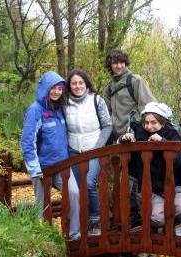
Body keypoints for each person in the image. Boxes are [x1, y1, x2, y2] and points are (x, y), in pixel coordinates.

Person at [20, 71, 80, 240]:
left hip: (62, 165)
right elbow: (27, 141)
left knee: (74, 194)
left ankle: (74, 235)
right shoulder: (35, 110)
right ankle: (45, 239)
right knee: (42, 206)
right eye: (53, 88)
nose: (56, 92)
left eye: (60, 89)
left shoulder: (60, 109)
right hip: (42, 168)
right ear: (45, 89)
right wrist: (34, 168)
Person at [103, 49, 157, 228]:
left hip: (136, 137)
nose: (118, 66)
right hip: (118, 140)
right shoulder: (109, 87)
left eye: (121, 62)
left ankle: (140, 219)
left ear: (126, 63)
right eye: (114, 62)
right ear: (110, 65)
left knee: (136, 178)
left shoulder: (135, 81)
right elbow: (107, 116)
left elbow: (149, 107)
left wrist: (141, 131)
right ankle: (122, 217)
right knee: (121, 180)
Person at [119, 102, 181, 235]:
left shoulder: (172, 134)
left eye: (154, 122)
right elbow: (121, 142)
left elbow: (178, 161)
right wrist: (124, 138)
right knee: (157, 218)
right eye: (146, 122)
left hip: (173, 185)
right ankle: (158, 225)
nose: (149, 126)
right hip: (149, 188)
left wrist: (162, 143)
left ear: (162, 122)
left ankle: (169, 226)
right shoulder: (138, 132)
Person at [64, 69, 112, 235]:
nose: (78, 86)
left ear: (86, 84)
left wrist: (98, 147)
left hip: (94, 150)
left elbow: (107, 125)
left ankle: (95, 219)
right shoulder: (65, 103)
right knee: (77, 188)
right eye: (74, 83)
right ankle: (79, 224)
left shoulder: (96, 100)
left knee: (89, 183)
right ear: (69, 86)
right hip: (73, 151)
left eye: (80, 83)